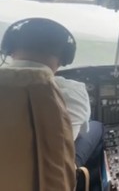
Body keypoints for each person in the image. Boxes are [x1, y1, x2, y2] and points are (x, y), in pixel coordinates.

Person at [0, 17, 103, 168]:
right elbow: (81, 132)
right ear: (64, 59)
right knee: (96, 126)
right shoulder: (73, 92)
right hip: (52, 179)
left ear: (9, 50)